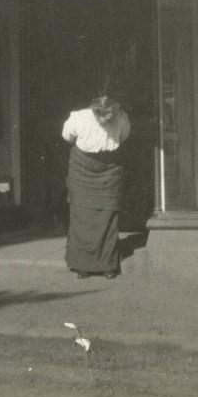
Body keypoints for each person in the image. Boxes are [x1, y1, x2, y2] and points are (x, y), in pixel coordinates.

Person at [61, 95, 131, 279]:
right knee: (82, 214)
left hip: (109, 169)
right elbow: (67, 135)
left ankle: (107, 265)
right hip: (82, 167)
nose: (105, 120)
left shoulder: (121, 118)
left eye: (109, 116)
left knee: (107, 214)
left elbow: (68, 136)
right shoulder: (78, 117)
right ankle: (83, 265)